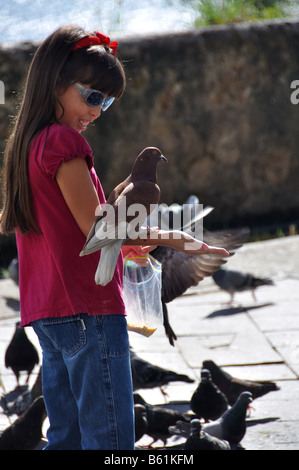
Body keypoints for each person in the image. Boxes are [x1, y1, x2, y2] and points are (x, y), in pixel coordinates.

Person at [0, 25, 228, 450]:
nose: (98, 110)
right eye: (91, 96)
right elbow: (97, 229)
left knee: (65, 437)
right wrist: (175, 238)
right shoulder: (65, 145)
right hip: (87, 307)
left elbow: (72, 232)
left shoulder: (29, 146)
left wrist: (124, 241)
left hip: (47, 313)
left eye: (106, 102)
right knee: (110, 440)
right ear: (56, 84)